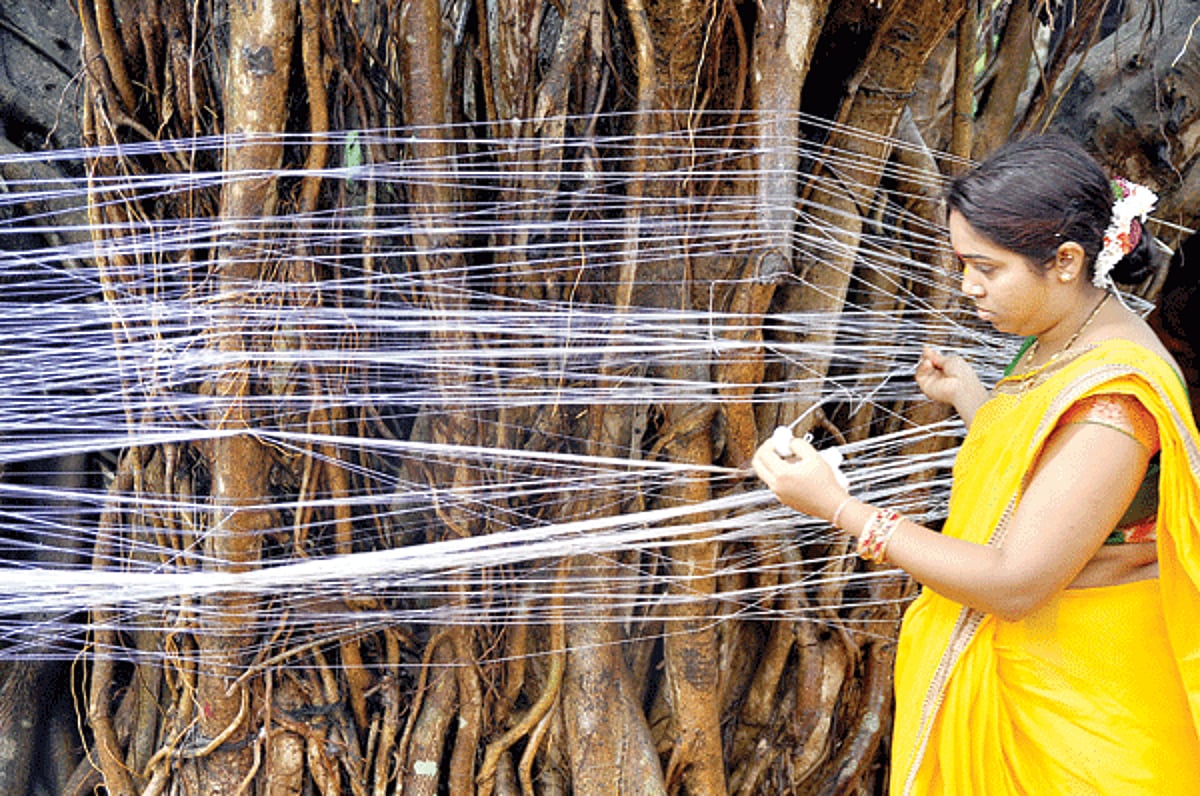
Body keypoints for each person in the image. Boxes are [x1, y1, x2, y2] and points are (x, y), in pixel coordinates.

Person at [753, 134, 1200, 794]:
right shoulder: (1064, 338)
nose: (967, 287)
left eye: (986, 268)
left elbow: (1015, 583)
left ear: (1067, 260)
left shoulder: (1115, 404)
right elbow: (1045, 470)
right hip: (1052, 684)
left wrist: (839, 508)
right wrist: (972, 398)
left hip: (1080, 721)